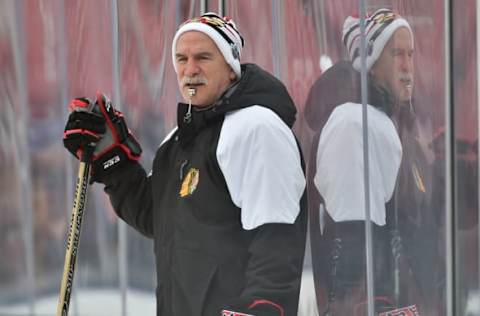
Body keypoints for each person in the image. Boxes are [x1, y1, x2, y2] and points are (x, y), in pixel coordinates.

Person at [62, 12, 307, 316]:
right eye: (181, 59)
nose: (190, 70)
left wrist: (263, 308)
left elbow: (278, 235)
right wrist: (112, 159)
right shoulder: (177, 141)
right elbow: (158, 217)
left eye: (203, 57)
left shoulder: (256, 128)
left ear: (231, 68)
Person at [305, 8, 436, 315]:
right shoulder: (353, 123)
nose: (407, 66)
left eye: (410, 54)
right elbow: (355, 243)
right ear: (370, 65)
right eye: (396, 54)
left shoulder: (394, 126)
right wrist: (379, 306)